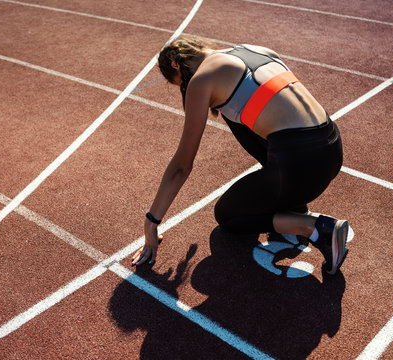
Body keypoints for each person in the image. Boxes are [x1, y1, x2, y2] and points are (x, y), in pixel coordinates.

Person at [132, 36, 349, 275]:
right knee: (241, 111)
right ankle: (294, 204)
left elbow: (181, 166)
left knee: (227, 216)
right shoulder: (255, 49)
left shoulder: (201, 79)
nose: (185, 88)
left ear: (176, 66)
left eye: (181, 84)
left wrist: (151, 221)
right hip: (331, 149)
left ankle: (318, 229)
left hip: (299, 164)